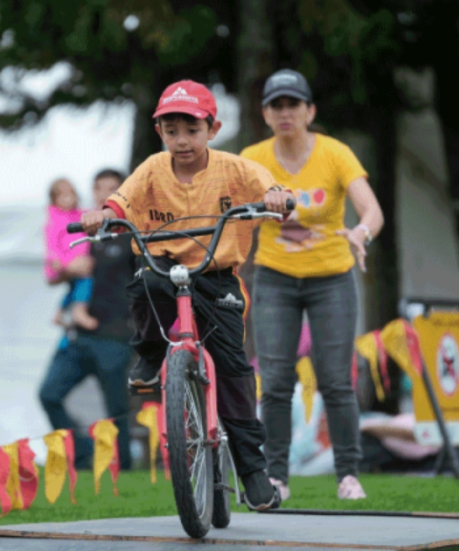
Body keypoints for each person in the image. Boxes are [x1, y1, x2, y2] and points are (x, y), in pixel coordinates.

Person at [80, 80, 296, 510]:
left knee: (233, 367)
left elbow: (273, 188)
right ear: (160, 131)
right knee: (145, 282)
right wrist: (102, 215)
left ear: (212, 130)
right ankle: (150, 352)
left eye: (192, 130)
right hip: (162, 268)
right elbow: (121, 203)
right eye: (172, 130)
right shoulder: (152, 169)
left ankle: (252, 469)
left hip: (215, 277)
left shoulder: (234, 168)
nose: (182, 140)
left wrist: (277, 197)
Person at [240, 69, 384, 501]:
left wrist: (361, 233)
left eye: (293, 105)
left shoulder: (336, 154)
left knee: (337, 380)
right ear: (266, 114)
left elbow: (371, 210)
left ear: (310, 111)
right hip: (274, 277)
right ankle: (277, 476)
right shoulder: (252, 159)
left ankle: (348, 475)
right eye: (276, 106)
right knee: (277, 379)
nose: (285, 113)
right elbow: (228, 210)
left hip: (332, 278)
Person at [39, 169, 137, 470]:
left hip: (116, 334)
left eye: (112, 188)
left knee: (116, 406)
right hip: (79, 334)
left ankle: (123, 467)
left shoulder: (132, 234)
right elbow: (54, 276)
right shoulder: (82, 229)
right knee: (49, 393)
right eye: (98, 187)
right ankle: (83, 454)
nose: (103, 193)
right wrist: (68, 270)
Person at [44, 178, 97, 332]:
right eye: (63, 196)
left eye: (71, 194)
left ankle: (60, 312)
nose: (68, 199)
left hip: (77, 259)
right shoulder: (54, 219)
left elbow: (94, 215)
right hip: (65, 262)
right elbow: (51, 242)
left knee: (74, 288)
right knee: (85, 281)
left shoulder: (79, 214)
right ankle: (79, 310)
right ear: (54, 199)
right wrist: (56, 261)